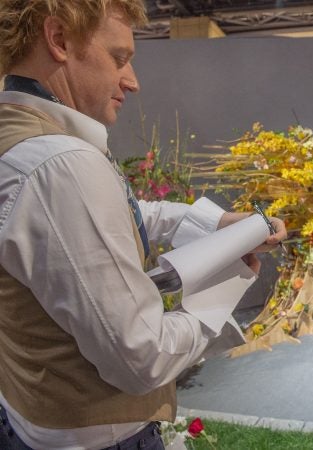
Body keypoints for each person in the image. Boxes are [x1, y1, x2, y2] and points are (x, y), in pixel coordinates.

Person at [0, 1, 286, 448]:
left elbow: (115, 216)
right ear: (58, 40)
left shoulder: (22, 141)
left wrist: (221, 222)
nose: (132, 82)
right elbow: (141, 358)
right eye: (119, 58)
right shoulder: (62, 165)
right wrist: (224, 286)